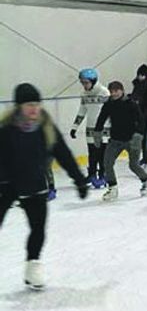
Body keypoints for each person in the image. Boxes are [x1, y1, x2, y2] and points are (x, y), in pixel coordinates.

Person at [0, 83, 88, 290]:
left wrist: (79, 179)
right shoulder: (6, 129)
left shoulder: (46, 127)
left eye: (37, 104)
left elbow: (63, 154)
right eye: (29, 105)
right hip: (7, 185)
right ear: (19, 106)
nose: (34, 109)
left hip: (34, 185)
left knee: (38, 228)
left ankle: (33, 267)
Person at [96, 80, 147, 201]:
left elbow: (141, 121)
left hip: (131, 140)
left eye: (116, 91)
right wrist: (97, 133)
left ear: (122, 91)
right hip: (115, 140)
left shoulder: (131, 104)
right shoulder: (109, 104)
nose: (114, 94)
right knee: (107, 164)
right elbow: (101, 119)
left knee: (133, 165)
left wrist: (138, 136)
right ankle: (113, 188)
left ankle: (146, 181)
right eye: (112, 92)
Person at [71, 68, 110, 188]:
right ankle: (92, 174)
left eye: (86, 82)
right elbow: (82, 111)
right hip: (90, 128)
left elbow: (110, 111)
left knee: (102, 153)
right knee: (92, 153)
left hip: (104, 128)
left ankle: (103, 174)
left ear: (93, 81)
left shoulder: (104, 92)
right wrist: (74, 127)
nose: (84, 85)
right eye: (82, 82)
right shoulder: (84, 94)